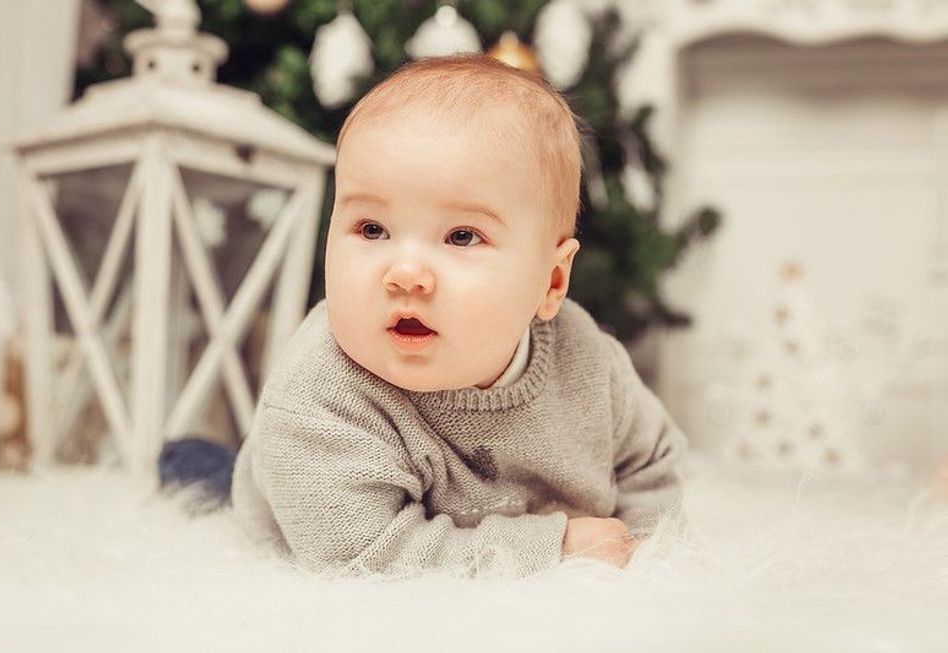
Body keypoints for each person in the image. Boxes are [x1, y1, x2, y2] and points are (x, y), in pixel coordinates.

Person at [231, 54, 689, 578]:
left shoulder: (588, 365)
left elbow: (650, 466)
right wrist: (554, 551)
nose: (405, 274)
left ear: (552, 281)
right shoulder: (318, 396)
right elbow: (362, 558)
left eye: (462, 236)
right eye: (372, 229)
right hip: (294, 504)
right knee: (202, 471)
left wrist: (639, 552)